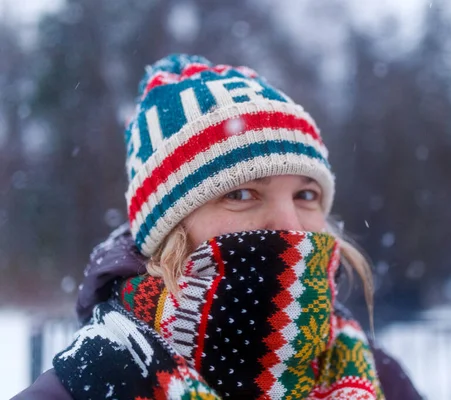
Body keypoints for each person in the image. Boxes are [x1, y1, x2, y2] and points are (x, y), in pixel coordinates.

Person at [13, 54, 421, 399]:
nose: (291, 224)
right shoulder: (88, 384)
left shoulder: (380, 375)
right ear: (168, 230)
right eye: (241, 194)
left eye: (306, 195)